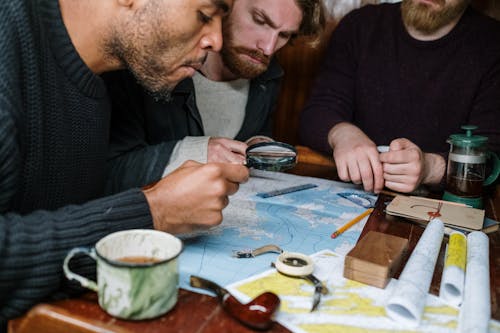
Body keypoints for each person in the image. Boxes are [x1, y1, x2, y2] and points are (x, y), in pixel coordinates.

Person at [0, 0, 250, 327]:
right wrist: (155, 211)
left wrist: (166, 192)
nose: (217, 41)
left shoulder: (114, 72)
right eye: (204, 15)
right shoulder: (9, 33)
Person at [103, 0, 325, 190]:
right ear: (225, 5)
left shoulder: (268, 77)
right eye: (259, 20)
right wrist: (196, 152)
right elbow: (105, 175)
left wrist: (257, 145)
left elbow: (254, 137)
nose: (268, 48)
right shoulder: (148, 64)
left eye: (284, 35)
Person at [299, 0, 500, 194]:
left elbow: (493, 158)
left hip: (440, 210)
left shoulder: (492, 43)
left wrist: (430, 168)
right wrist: (342, 134)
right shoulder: (359, 25)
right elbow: (317, 112)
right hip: (353, 194)